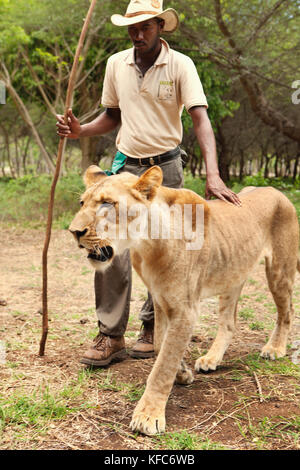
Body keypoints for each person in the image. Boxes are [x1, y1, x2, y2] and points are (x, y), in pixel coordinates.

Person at [56, 0, 241, 367]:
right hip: (125, 172)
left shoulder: (181, 65)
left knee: (177, 250)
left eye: (145, 27)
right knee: (107, 245)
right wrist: (81, 131)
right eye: (132, 28)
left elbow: (200, 120)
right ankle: (110, 335)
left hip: (168, 170)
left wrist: (214, 173)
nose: (138, 35)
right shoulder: (116, 64)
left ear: (160, 26)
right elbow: (111, 116)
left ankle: (153, 328)